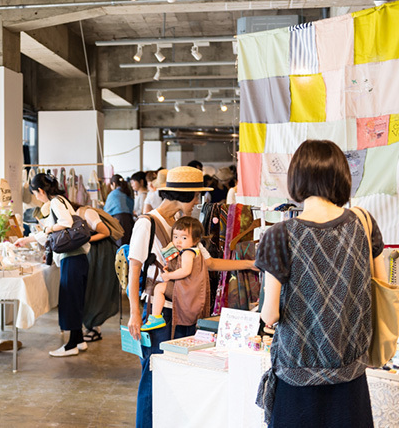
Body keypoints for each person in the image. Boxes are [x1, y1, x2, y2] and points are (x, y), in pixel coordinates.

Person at [256, 140, 385, 427]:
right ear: (342, 177)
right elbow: (382, 287)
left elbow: (270, 314)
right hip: (350, 374)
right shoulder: (364, 223)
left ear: (297, 178)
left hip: (297, 377)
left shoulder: (279, 234)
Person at [127, 166, 258, 428]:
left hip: (184, 311)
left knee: (177, 377)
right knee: (153, 376)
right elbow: (134, 270)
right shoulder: (146, 224)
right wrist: (133, 313)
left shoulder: (183, 228)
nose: (198, 201)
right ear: (183, 195)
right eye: (196, 196)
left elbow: (208, 264)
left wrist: (247, 264)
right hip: (159, 314)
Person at [14, 173, 89, 357]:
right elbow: (52, 234)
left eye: (36, 194)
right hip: (78, 258)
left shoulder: (55, 202)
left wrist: (48, 228)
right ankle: (79, 340)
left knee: (69, 300)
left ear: (40, 190)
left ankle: (71, 345)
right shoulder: (62, 200)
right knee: (75, 299)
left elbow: (65, 223)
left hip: (71, 258)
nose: (37, 198)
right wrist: (26, 239)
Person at [141, 217, 208, 333]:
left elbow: (185, 271)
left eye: (184, 237)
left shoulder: (188, 253)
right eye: (175, 236)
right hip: (189, 290)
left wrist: (169, 276)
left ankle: (156, 317)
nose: (178, 241)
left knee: (159, 288)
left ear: (196, 240)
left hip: (185, 290)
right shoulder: (193, 251)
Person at [75, 204, 119, 342]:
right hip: (97, 251)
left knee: (98, 287)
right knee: (93, 286)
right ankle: (92, 325)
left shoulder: (86, 212)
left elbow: (105, 232)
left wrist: (85, 239)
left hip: (102, 251)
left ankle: (95, 327)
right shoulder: (81, 213)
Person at [103, 174, 135, 246]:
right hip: (129, 220)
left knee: (120, 245)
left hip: (119, 221)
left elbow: (106, 211)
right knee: (127, 244)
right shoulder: (127, 192)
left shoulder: (113, 194)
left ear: (113, 184)